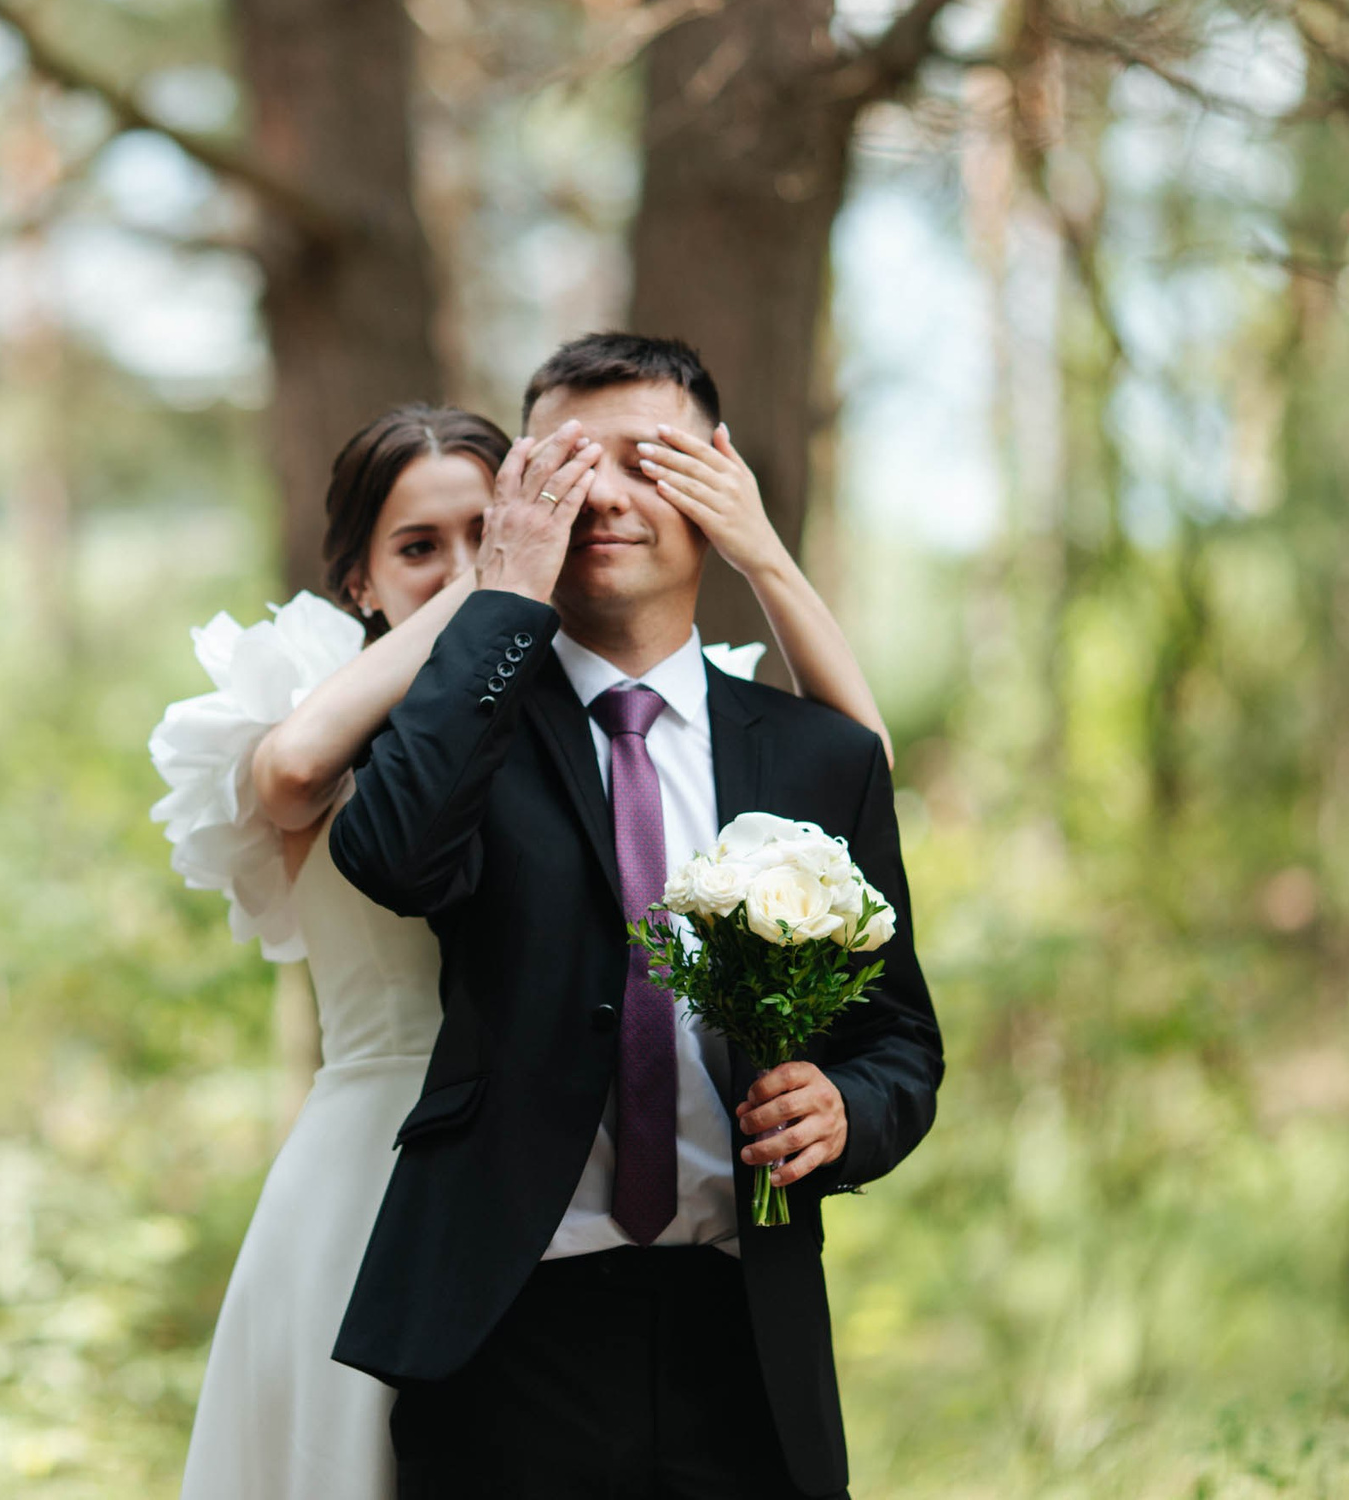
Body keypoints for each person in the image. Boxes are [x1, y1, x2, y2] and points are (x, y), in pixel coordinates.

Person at [150, 378, 893, 1500]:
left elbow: (854, 769)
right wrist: (495, 588)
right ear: (355, 575)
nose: (454, 564)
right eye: (417, 547)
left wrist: (762, 559)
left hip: (586, 1224)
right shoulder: (331, 705)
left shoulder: (568, 712)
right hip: (379, 1173)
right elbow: (298, 776)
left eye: (478, 528)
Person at [324, 332, 946, 1500]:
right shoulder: (465, 735)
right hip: (507, 1330)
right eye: (563, 464)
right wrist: (504, 582)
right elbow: (390, 857)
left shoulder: (817, 756)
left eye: (642, 460)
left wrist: (843, 1112)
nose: (602, 493)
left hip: (746, 1334)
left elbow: (900, 1042)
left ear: (713, 484)